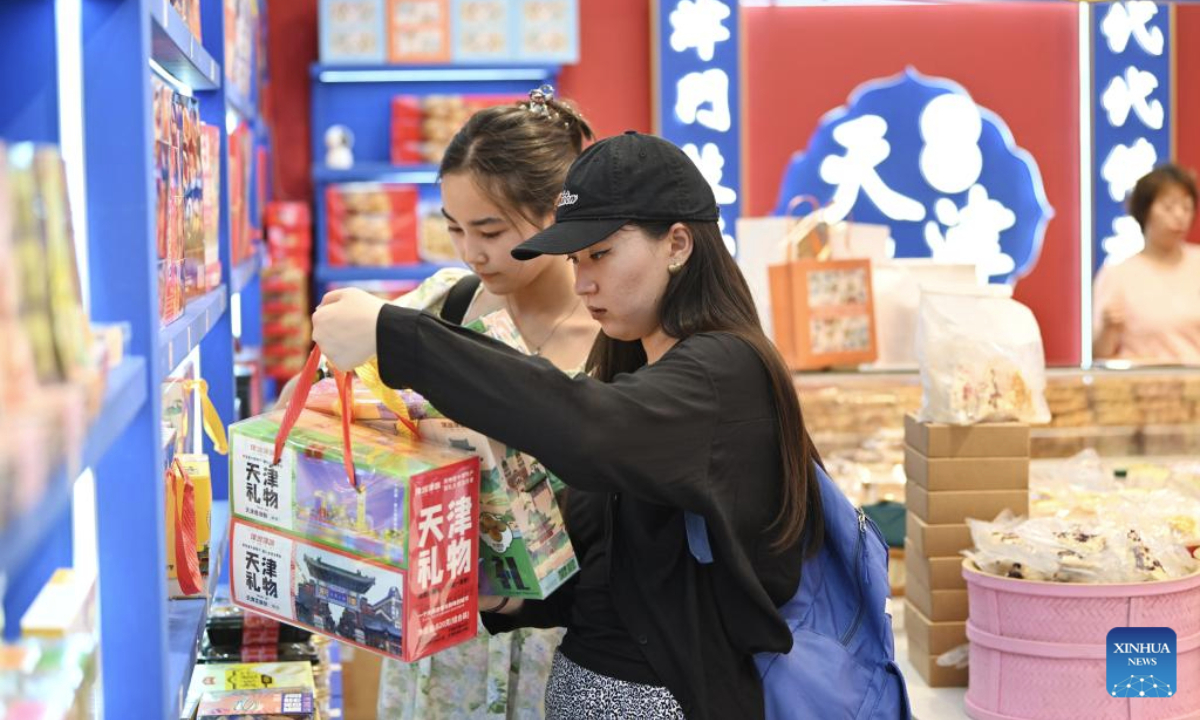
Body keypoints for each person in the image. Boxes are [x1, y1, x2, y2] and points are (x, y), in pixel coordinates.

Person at [312, 132, 827, 719]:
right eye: (577, 260)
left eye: (601, 254)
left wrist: (396, 335)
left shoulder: (722, 371)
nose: (584, 282)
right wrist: (509, 595)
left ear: (677, 244)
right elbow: (612, 571)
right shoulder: (639, 363)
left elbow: (587, 430)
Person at [358, 89, 599, 719]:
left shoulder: (613, 336)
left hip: (560, 648)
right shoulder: (443, 307)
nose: (471, 251)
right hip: (444, 646)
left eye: (490, 230)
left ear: (558, 212)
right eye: (455, 227)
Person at [1094, 163, 1200, 363]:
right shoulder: (1118, 273)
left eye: (1187, 207)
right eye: (1168, 207)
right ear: (1144, 211)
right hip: (1142, 388)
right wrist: (1109, 328)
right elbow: (1100, 354)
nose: (1179, 216)